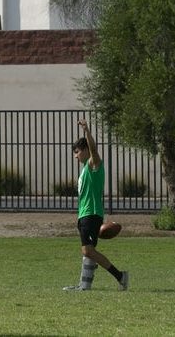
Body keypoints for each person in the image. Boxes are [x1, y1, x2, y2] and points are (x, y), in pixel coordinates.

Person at [63, 119, 129, 292]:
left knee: (87, 251)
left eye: (77, 152)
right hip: (85, 215)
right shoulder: (85, 168)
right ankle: (84, 285)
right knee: (89, 251)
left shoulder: (94, 165)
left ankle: (120, 276)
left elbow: (94, 151)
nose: (75, 156)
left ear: (85, 150)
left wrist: (87, 132)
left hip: (91, 214)